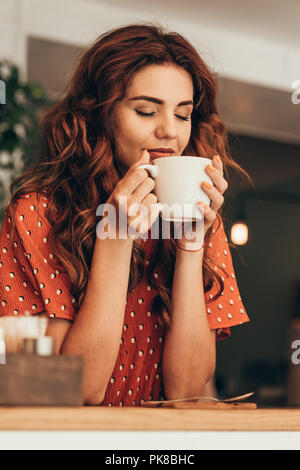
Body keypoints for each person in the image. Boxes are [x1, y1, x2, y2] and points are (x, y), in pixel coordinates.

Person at [0, 23, 251, 406]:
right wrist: (116, 238)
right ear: (101, 115)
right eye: (146, 111)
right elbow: (68, 391)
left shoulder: (199, 218)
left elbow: (187, 392)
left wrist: (191, 246)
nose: (170, 131)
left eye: (183, 115)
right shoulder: (37, 212)